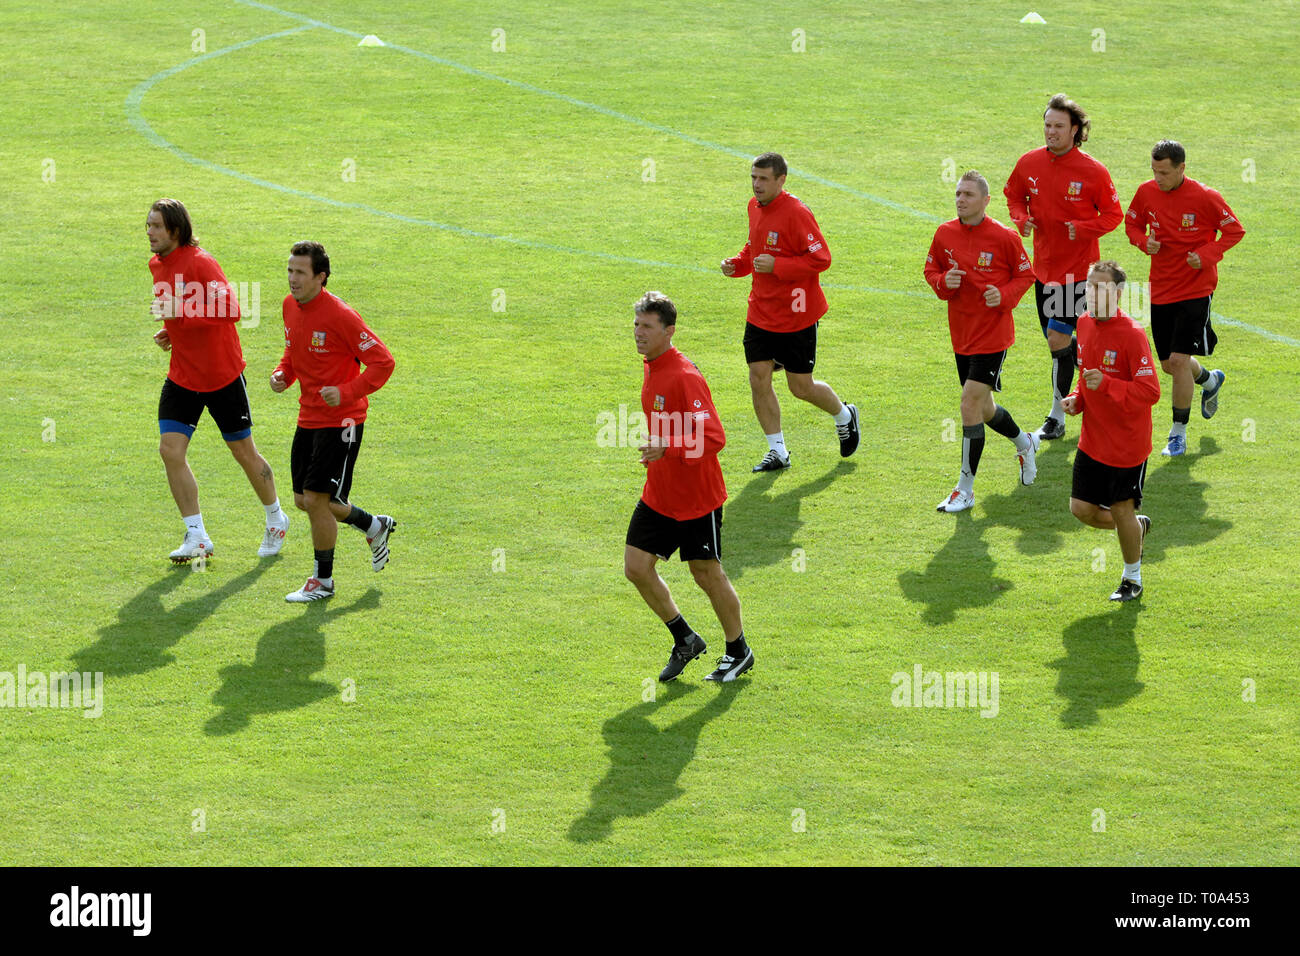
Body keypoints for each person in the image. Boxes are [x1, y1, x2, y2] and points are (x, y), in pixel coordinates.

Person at [146, 198, 289, 563]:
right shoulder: (156, 265)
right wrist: (170, 331)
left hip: (221, 375)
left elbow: (232, 310)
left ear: (175, 230)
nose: (149, 233)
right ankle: (196, 535)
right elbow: (179, 312)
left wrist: (180, 312)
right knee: (170, 450)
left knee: (243, 452)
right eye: (148, 226)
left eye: (157, 226)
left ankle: (276, 518)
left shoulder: (201, 263)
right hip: (182, 375)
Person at [623, 292, 753, 683]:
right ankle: (685, 638)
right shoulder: (652, 365)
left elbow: (715, 436)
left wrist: (668, 446)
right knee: (636, 568)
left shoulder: (684, 375)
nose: (638, 333)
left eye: (647, 326)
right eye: (636, 324)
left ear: (669, 331)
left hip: (697, 499)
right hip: (660, 493)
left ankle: (738, 650)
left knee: (706, 573)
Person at [270, 241, 396, 603]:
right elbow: (293, 350)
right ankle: (374, 525)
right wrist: (283, 373)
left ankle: (322, 582)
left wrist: (346, 392)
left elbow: (383, 362)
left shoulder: (341, 315)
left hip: (342, 420)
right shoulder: (288, 307)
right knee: (304, 501)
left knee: (316, 498)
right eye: (290, 271)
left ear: (320, 277)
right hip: (308, 416)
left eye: (300, 272)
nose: (292, 279)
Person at [720, 152, 859, 472]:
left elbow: (821, 258)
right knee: (758, 378)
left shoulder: (797, 213)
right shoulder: (753, 207)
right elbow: (754, 247)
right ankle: (777, 451)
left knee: (801, 387)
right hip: (760, 312)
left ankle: (844, 415)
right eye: (754, 177)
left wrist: (778, 266)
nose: (756, 184)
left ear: (781, 180)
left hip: (797, 315)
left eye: (763, 179)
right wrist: (737, 265)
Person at [1004, 94, 1123, 443]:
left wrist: (1084, 228)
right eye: (1047, 125)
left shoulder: (1093, 171)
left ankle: (1056, 416)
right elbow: (1013, 194)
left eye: (1058, 126)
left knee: (1057, 339)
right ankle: (1084, 377)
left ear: (1075, 130)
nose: (1051, 132)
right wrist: (1021, 218)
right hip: (1044, 271)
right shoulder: (1029, 163)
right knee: (1060, 343)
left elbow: (1113, 215)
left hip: (1077, 274)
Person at [924, 171, 1040, 513]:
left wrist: (1002, 296)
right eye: (958, 193)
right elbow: (930, 272)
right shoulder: (944, 233)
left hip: (993, 336)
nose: (961, 199)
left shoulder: (1004, 237)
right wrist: (946, 280)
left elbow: (1026, 275)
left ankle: (965, 489)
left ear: (986, 201)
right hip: (961, 335)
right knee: (984, 409)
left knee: (968, 404)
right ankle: (1025, 442)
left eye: (969, 195)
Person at [1124, 139, 1245, 457]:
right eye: (1153, 171)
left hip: (1195, 289)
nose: (1158, 178)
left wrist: (1207, 254)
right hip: (1161, 288)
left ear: (1181, 168)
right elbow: (1132, 223)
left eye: (1164, 172)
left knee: (1177, 362)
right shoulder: (1146, 192)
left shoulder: (1205, 197)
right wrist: (1142, 242)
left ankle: (1177, 434)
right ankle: (1209, 380)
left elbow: (1234, 231)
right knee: (1168, 365)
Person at [1061, 261, 1160, 602]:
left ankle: (1132, 578)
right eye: (1089, 286)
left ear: (1117, 294)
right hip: (1092, 440)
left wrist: (1108, 384)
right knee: (1081, 510)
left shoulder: (1132, 334)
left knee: (1120, 510)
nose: (1092, 292)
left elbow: (1150, 392)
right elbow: (1085, 375)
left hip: (1126, 446)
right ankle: (1136, 526)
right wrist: (1078, 399)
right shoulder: (1084, 324)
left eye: (1101, 287)